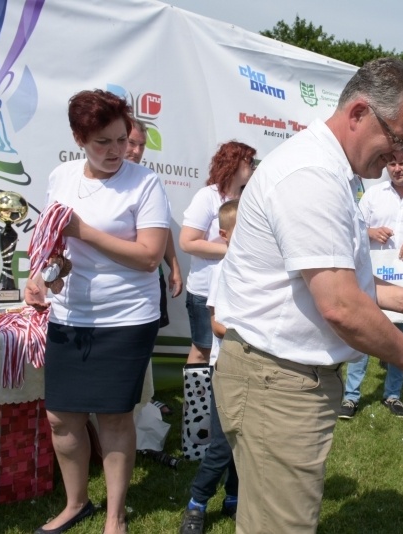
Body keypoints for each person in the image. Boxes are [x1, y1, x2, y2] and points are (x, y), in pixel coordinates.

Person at [214, 57, 403, 533]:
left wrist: (396, 296)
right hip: (276, 383)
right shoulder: (312, 175)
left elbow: (326, 280)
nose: (398, 155)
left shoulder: (330, 171)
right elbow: (339, 304)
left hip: (283, 380)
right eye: (398, 140)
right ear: (360, 112)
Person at [25, 89, 170, 534]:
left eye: (121, 139)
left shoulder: (144, 183)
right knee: (61, 416)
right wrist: (44, 275)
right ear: (78, 138)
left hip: (126, 316)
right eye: (101, 142)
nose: (115, 151)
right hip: (70, 314)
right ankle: (76, 504)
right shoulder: (61, 176)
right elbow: (57, 244)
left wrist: (83, 230)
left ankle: (115, 515)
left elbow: (149, 256)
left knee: (113, 415)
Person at [340, 151, 403, 419]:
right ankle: (351, 397)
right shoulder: (374, 194)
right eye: (392, 163)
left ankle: (392, 395)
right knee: (364, 335)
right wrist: (371, 232)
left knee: (400, 340)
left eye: (402, 163)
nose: (397, 168)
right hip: (374, 275)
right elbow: (352, 228)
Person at [180, 200, 240, 534]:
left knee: (241, 441)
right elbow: (216, 323)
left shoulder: (255, 264)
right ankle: (197, 503)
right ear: (224, 234)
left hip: (249, 365)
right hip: (225, 365)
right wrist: (248, 331)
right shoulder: (223, 267)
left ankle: (233, 496)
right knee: (221, 443)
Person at [125, 117, 183, 417]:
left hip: (148, 280)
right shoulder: (84, 180)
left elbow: (163, 230)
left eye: (141, 145)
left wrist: (173, 265)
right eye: (130, 142)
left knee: (145, 341)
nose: (135, 150)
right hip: (110, 289)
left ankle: (146, 399)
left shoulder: (148, 181)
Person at [179, 142, 255, 365]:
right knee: (203, 349)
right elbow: (187, 242)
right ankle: (195, 401)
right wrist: (233, 251)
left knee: (228, 351)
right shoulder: (207, 196)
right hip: (205, 290)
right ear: (233, 162)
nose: (252, 166)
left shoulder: (247, 199)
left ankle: (218, 399)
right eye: (249, 161)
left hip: (236, 290)